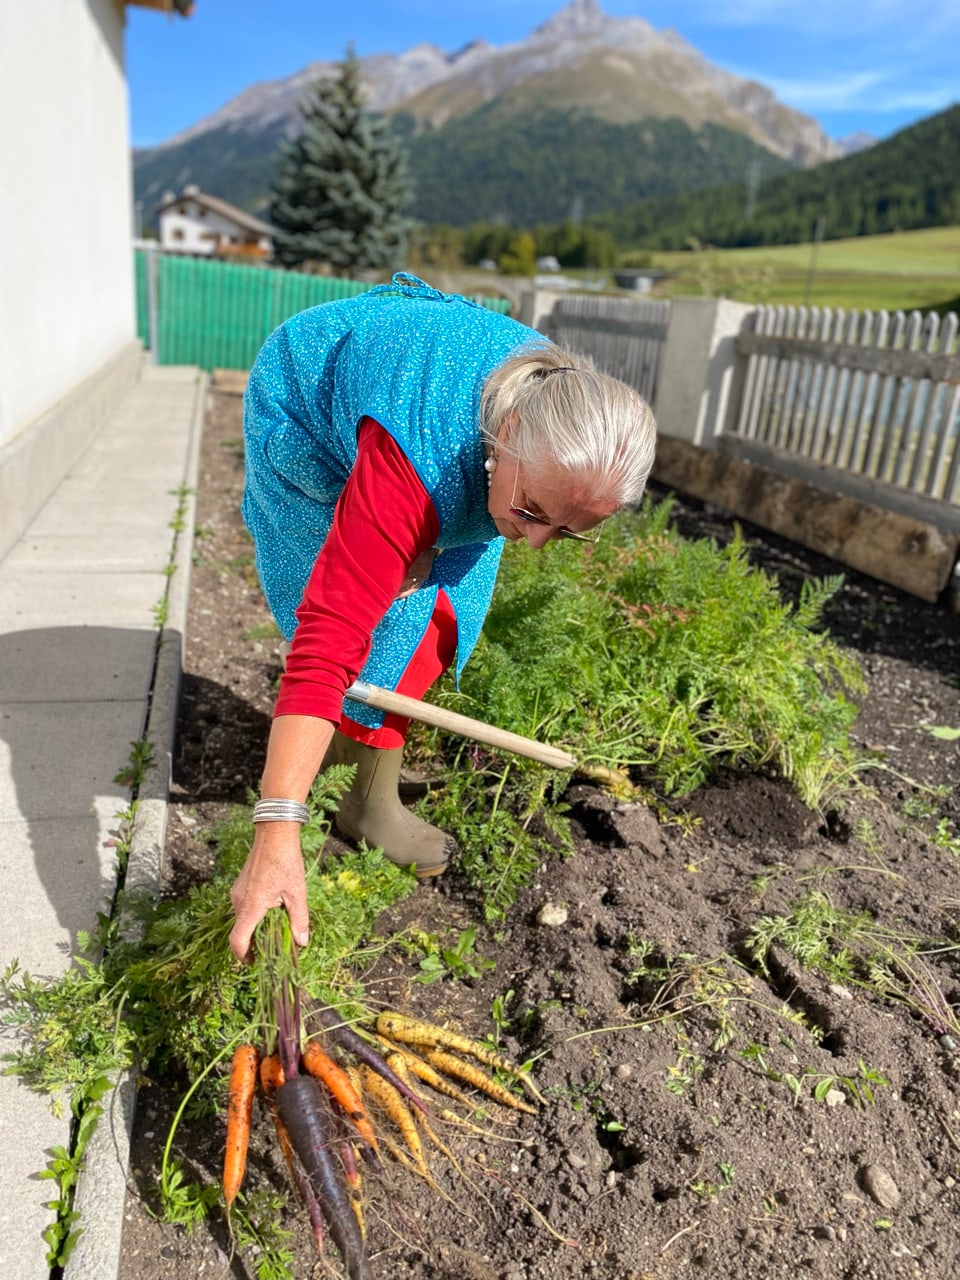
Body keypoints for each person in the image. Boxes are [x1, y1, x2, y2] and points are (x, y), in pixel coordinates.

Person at [228, 273, 656, 962]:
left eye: (569, 530)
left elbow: (509, 521)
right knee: (383, 625)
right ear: (508, 433)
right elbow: (326, 638)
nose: (538, 544)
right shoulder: (412, 461)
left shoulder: (556, 405)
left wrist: (517, 510)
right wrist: (276, 829)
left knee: (444, 615)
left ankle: (354, 761)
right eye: (533, 514)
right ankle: (360, 802)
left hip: (443, 427)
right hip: (310, 407)